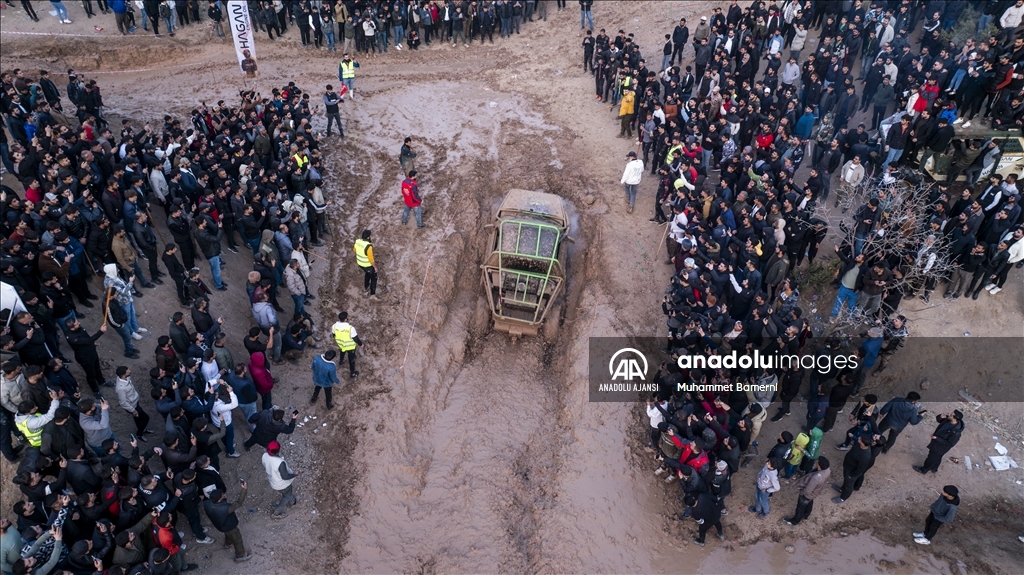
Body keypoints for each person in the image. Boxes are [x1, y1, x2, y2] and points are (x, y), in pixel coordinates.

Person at [203, 481, 252, 562]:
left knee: (228, 534)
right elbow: (239, 502)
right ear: (219, 500)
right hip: (230, 526)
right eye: (222, 496)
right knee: (237, 538)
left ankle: (228, 544)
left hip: (220, 525)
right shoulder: (226, 508)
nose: (224, 496)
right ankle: (240, 555)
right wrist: (244, 489)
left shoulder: (207, 503)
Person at [66, 318, 110, 392]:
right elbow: (88, 340)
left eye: (78, 322)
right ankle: (95, 390)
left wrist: (92, 344)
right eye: (77, 324)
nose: (79, 323)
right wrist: (101, 332)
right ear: (72, 328)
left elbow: (87, 338)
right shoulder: (72, 337)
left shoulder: (80, 328)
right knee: (91, 374)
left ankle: (101, 381)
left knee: (97, 368)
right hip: (85, 358)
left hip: (92, 352)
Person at [785, 456, 830, 525]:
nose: (816, 463)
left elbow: (808, 490)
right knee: (809, 502)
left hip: (807, 495)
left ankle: (795, 521)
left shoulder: (816, 478)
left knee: (800, 508)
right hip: (815, 492)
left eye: (817, 462)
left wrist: (801, 492)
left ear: (819, 465)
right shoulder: (827, 470)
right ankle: (806, 514)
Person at [262, 440, 300, 518]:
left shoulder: (264, 456)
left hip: (273, 481)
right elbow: (285, 477)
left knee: (286, 494)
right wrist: (295, 474)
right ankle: (277, 512)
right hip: (282, 484)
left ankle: (292, 501)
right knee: (286, 495)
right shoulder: (280, 462)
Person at [832, 434, 872, 504]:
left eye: (860, 439)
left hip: (852, 472)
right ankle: (842, 489)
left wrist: (851, 475)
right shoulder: (858, 444)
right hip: (848, 466)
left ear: (863, 443)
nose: (858, 438)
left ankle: (843, 497)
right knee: (846, 480)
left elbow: (861, 469)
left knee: (849, 485)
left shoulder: (865, 456)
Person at [114, 366, 152, 439]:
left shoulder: (124, 378)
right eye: (128, 370)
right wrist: (133, 410)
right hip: (132, 406)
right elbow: (123, 403)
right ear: (124, 374)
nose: (130, 370)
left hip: (134, 402)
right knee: (145, 418)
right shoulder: (121, 388)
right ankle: (139, 434)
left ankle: (141, 429)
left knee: (137, 418)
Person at [330, 311, 363, 378]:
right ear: (345, 319)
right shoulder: (350, 328)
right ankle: (352, 373)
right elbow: (355, 338)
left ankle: (341, 361)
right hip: (350, 347)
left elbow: (334, 335)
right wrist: (361, 344)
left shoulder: (334, 326)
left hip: (341, 344)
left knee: (342, 352)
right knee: (351, 360)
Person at [354, 229, 378, 299]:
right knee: (374, 278)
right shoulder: (369, 246)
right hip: (367, 265)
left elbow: (354, 250)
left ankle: (366, 286)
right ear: (368, 237)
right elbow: (371, 259)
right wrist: (375, 267)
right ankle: (372, 295)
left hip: (360, 264)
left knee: (367, 273)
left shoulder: (357, 241)